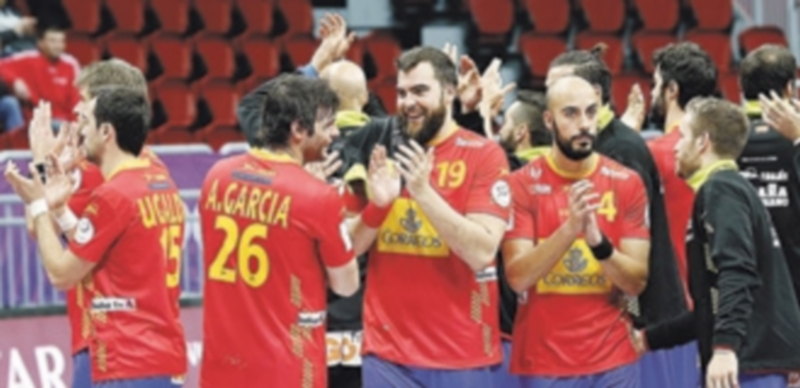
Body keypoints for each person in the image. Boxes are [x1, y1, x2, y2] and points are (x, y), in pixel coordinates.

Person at [343, 46, 510, 387]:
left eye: (420, 91)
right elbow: (349, 248)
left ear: (449, 92)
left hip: (462, 356)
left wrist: (423, 192)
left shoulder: (485, 155)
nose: (408, 103)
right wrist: (378, 207)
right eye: (402, 93)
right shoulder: (378, 147)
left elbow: (482, 252)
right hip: (386, 356)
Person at [4, 87, 187, 387]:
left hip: (125, 359)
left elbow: (61, 273)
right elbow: (103, 249)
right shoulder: (162, 183)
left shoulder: (113, 195)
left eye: (86, 122)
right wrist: (60, 210)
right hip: (163, 357)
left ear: (106, 132)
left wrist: (38, 204)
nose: (80, 131)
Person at [199, 74, 359, 388]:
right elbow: (346, 285)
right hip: (287, 372)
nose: (335, 133)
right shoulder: (318, 196)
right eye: (327, 124)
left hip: (221, 370)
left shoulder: (216, 175)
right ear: (298, 129)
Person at [638, 97, 800, 388]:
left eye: (683, 136)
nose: (675, 146)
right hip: (750, 358)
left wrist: (725, 348)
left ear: (703, 142)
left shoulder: (721, 190)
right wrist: (649, 339)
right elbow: (708, 307)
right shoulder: (728, 188)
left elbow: (737, 272)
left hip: (746, 362)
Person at [502, 76, 649, 387]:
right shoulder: (521, 184)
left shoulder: (627, 182)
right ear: (549, 120)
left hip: (614, 360)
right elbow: (518, 277)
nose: (584, 124)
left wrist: (599, 245)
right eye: (570, 113)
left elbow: (636, 283)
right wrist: (570, 229)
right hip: (543, 361)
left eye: (591, 112)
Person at [736, 45, 800, 306]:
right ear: (789, 88)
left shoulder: (722, 140)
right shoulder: (796, 139)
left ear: (742, 89)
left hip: (745, 287)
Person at [0, 25, 80, 124]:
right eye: (53, 41)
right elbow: (1, 66)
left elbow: (76, 98)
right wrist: (14, 81)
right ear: (41, 43)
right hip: (36, 120)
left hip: (65, 121)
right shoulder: (29, 59)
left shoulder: (71, 64)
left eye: (61, 41)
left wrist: (74, 123)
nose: (58, 45)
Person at [496, 90, 551, 169]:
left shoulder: (510, 169)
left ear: (520, 131)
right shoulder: (558, 165)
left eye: (505, 122)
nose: (500, 130)